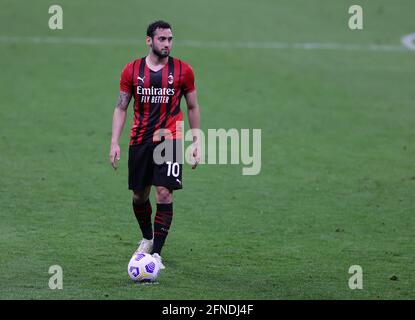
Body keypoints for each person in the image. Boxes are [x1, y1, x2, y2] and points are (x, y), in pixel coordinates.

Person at [109, 20, 201, 269]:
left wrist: (196, 140)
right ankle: (147, 238)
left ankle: (157, 254)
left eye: (170, 39)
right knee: (140, 196)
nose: (167, 44)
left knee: (164, 193)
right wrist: (114, 142)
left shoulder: (183, 71)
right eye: (162, 39)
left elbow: (192, 106)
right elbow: (121, 107)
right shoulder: (132, 70)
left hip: (169, 138)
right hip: (140, 139)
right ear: (149, 40)